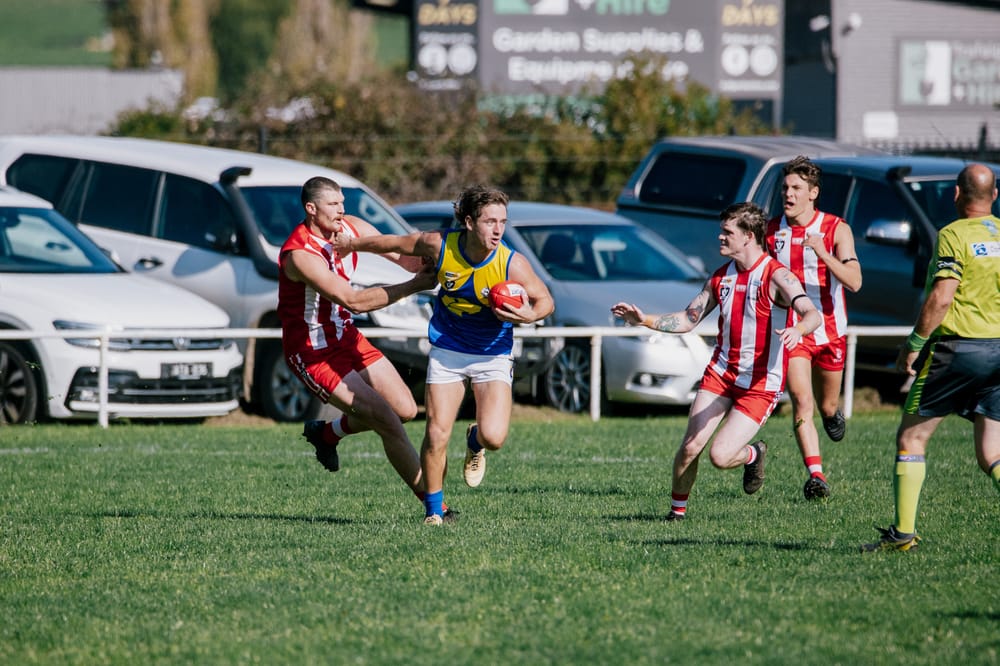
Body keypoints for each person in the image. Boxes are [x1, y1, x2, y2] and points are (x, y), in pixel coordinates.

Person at [333, 185, 555, 525]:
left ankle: (475, 440)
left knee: (494, 437)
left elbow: (545, 302)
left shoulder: (512, 263)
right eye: (490, 221)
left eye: (503, 222)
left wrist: (525, 316)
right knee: (436, 434)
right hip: (448, 350)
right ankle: (434, 512)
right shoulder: (439, 245)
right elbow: (393, 243)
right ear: (468, 221)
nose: (498, 229)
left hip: (492, 354)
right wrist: (352, 244)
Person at [611, 202, 821, 520]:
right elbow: (687, 319)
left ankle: (753, 454)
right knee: (691, 446)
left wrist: (798, 329)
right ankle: (676, 513)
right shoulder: (720, 278)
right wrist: (644, 320)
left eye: (727, 232)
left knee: (720, 456)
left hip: (760, 384)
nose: (719, 237)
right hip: (721, 375)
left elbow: (812, 313)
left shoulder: (777, 276)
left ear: (749, 236)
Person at [278, 176, 445, 519]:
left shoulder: (350, 228)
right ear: (311, 209)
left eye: (342, 203)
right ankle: (435, 508)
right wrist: (415, 286)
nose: (342, 211)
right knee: (387, 421)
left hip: (346, 337)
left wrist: (439, 257)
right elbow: (353, 301)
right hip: (312, 352)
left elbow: (406, 257)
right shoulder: (299, 255)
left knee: (405, 409)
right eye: (333, 205)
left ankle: (327, 434)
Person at [862, 164, 1000, 552]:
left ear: (956, 195)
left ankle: (902, 534)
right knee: (992, 452)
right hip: (999, 348)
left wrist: (914, 343)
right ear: (993, 197)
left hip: (958, 349)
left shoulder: (953, 235)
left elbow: (942, 296)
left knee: (911, 438)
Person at [766, 156, 863, 500]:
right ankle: (816, 475)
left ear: (813, 193)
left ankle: (833, 414)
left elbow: (854, 282)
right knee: (802, 402)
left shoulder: (837, 229)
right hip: (794, 332)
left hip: (831, 333)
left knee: (825, 406)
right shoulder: (770, 231)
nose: (788, 195)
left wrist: (822, 252)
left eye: (796, 188)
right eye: (785, 188)